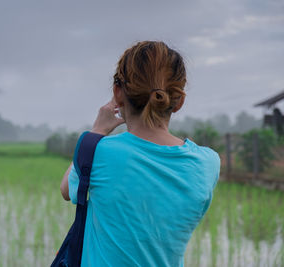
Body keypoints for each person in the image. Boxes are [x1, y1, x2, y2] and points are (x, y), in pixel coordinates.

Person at [59, 41, 221, 266]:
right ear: (179, 101)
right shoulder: (208, 162)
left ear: (118, 93)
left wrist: (98, 131)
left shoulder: (97, 150)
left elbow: (66, 190)